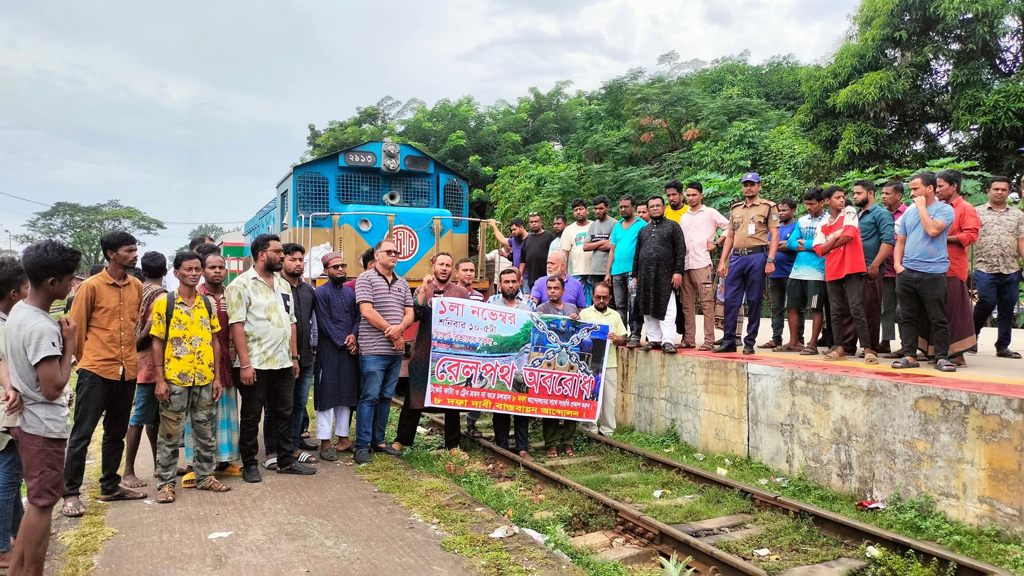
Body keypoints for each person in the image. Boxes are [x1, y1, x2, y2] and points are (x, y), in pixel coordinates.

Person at [4, 240, 80, 576]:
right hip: (43, 426)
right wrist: (70, 346)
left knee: (36, 500)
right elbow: (52, 388)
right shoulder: (41, 327)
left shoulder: (19, 311)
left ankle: (19, 567)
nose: (72, 284)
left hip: (26, 423)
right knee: (42, 504)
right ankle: (31, 570)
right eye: (69, 279)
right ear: (53, 284)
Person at [62, 232, 146, 518]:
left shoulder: (136, 286)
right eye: (129, 250)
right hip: (96, 370)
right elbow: (77, 329)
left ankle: (110, 486)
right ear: (111, 254)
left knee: (115, 433)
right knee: (82, 434)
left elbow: (134, 327)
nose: (135, 254)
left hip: (127, 371)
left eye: (136, 249)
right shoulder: (91, 287)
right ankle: (71, 493)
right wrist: (86, 360)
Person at [226, 234, 314, 482]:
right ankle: (250, 463)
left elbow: (292, 323)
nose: (283, 257)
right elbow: (237, 325)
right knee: (252, 415)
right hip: (255, 364)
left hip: (283, 363)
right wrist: (245, 363)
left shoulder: (283, 284)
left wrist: (294, 357)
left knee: (284, 413)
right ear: (262, 254)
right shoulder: (240, 285)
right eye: (278, 252)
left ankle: (286, 461)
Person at [150, 252, 231, 503]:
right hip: (175, 379)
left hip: (205, 378)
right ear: (176, 273)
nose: (194, 273)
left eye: (197, 269)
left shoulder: (206, 303)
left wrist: (217, 377)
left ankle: (205, 476)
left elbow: (216, 341)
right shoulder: (165, 303)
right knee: (170, 434)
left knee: (206, 430)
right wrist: (160, 380)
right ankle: (165, 483)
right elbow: (157, 342)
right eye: (188, 269)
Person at [393, 254, 468, 453]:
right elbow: (415, 315)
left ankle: (452, 444)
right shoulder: (422, 289)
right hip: (424, 350)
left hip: (451, 355)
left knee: (451, 396)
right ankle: (402, 440)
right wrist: (423, 292)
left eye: (448, 265)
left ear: (453, 269)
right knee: (414, 395)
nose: (444, 268)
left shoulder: (461, 292)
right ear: (434, 266)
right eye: (441, 264)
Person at [354, 239, 414, 465]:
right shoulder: (365, 279)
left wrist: (400, 330)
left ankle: (378, 442)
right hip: (373, 350)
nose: (394, 255)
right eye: (389, 251)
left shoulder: (403, 283)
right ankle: (361, 446)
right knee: (369, 397)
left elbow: (409, 313)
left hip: (394, 352)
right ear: (376, 255)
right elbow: (367, 312)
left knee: (386, 397)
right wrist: (395, 333)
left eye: (396, 252)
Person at [260, 243, 319, 470]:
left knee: (298, 405)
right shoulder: (276, 288)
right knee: (275, 407)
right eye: (292, 259)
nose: (298, 263)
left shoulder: (308, 291)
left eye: (301, 260)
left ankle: (293, 447)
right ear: (282, 261)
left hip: (305, 358)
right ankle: (272, 450)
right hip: (279, 359)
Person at [892, 172, 957, 372]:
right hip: (907, 272)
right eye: (911, 189)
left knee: (937, 317)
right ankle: (910, 356)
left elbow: (932, 230)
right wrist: (898, 266)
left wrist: (921, 207)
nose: (912, 193)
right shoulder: (909, 213)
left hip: (933, 273)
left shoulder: (944, 210)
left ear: (929, 189)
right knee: (907, 316)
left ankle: (941, 358)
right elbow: (900, 240)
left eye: (916, 189)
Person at [185, 251, 241, 478]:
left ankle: (224, 461)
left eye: (221, 267)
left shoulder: (233, 295)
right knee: (200, 415)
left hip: (229, 364)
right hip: (202, 367)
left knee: (226, 413)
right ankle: (193, 464)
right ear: (203, 272)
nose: (217, 271)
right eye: (211, 267)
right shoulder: (195, 297)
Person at [715, 173, 780, 355]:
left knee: (754, 299)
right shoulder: (736, 209)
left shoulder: (768, 207)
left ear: (759, 186)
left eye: (752, 184)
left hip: (757, 256)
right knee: (731, 300)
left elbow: (774, 236)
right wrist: (722, 261)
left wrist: (770, 260)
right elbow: (730, 236)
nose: (748, 188)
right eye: (745, 185)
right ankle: (729, 340)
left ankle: (749, 342)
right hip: (736, 257)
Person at [920, 170, 979, 366]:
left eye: (941, 186)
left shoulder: (965, 208)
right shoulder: (937, 207)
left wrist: (942, 236)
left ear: (954, 186)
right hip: (932, 267)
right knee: (933, 309)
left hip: (952, 267)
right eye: (936, 186)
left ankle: (956, 355)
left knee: (952, 309)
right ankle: (935, 352)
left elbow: (970, 235)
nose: (937, 190)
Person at [121, 252, 167, 490]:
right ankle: (128, 471)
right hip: (149, 363)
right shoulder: (160, 296)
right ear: (167, 272)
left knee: (154, 417)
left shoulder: (140, 290)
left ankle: (159, 463)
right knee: (140, 417)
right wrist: (132, 348)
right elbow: (151, 329)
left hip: (142, 362)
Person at [814, 187, 874, 363]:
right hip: (832, 269)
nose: (842, 200)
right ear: (827, 201)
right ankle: (838, 347)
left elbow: (848, 235)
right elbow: (819, 249)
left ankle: (868, 348)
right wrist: (834, 240)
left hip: (851, 266)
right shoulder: (823, 224)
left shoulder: (849, 211)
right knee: (835, 310)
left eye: (843, 197)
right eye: (837, 197)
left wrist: (829, 242)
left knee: (856, 307)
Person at [313, 252, 361, 461]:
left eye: (343, 265)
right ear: (326, 271)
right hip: (329, 352)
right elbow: (324, 323)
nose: (341, 269)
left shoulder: (350, 293)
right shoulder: (321, 293)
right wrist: (345, 341)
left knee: (346, 395)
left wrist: (354, 336)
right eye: (335, 267)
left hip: (348, 352)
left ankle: (343, 439)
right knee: (327, 395)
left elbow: (358, 318)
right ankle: (324, 443)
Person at [973, 176, 1024, 358]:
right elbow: (968, 239)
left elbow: (1021, 241)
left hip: (1010, 268)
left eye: (1004, 190)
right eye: (996, 189)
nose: (1000, 192)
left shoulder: (1017, 215)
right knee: (986, 302)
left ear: (1008, 192)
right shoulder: (977, 212)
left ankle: (1003, 346)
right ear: (989, 191)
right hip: (985, 267)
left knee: (1007, 308)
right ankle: (971, 337)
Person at [487, 268, 535, 459]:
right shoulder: (491, 303)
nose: (510, 285)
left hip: (523, 365)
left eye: (513, 281)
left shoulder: (529, 306)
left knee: (522, 405)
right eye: (506, 282)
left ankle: (523, 447)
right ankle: (502, 445)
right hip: (500, 364)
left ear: (519, 283)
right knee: (500, 406)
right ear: (500, 285)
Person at [0, 257, 28, 572]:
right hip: (6, 414)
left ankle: (16, 535)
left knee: (10, 476)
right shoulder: (5, 327)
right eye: (25, 287)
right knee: (8, 479)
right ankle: (1, 547)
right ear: (13, 293)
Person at [678, 182, 728, 350]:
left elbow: (728, 227)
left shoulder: (710, 213)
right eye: (688, 195)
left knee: (706, 303)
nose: (690, 198)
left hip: (702, 263)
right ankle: (689, 339)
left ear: (701, 195)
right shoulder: (684, 216)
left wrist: (716, 241)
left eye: (694, 195)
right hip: (685, 264)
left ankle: (709, 340)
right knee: (687, 304)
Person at [779, 187, 829, 355]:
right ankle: (794, 342)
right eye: (806, 204)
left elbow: (823, 245)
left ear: (822, 203)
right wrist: (810, 245)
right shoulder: (802, 220)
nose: (808, 207)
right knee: (791, 306)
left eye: (812, 204)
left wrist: (806, 244)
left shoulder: (829, 220)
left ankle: (812, 343)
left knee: (816, 308)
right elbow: (791, 243)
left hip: (818, 272)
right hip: (797, 271)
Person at [633, 195, 686, 354]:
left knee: (668, 309)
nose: (655, 208)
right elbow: (637, 254)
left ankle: (668, 341)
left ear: (664, 208)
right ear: (648, 210)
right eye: (652, 206)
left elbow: (680, 251)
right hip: (645, 276)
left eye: (658, 205)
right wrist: (635, 275)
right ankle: (654, 339)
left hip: (665, 275)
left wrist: (678, 272)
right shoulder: (643, 230)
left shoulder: (673, 226)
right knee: (647, 308)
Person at [537, 277, 580, 457]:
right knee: (551, 400)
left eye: (556, 288)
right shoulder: (541, 309)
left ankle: (569, 443)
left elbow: (580, 333)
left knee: (570, 401)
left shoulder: (572, 309)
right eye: (549, 288)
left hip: (570, 361)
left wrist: (577, 321)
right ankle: (551, 444)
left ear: (563, 291)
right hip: (550, 362)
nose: (552, 291)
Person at [853, 180, 896, 357]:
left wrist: (875, 265)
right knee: (855, 308)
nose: (855, 196)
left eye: (859, 193)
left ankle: (870, 347)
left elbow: (888, 241)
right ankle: (850, 346)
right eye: (854, 193)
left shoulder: (881, 214)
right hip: (854, 268)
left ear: (870, 194)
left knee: (870, 309)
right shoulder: (856, 214)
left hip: (871, 268)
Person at [579, 282, 627, 436]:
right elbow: (578, 336)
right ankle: (588, 428)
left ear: (610, 298)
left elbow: (623, 339)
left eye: (604, 298)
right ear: (592, 297)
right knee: (589, 396)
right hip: (589, 364)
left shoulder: (615, 315)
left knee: (609, 399)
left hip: (610, 362)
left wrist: (616, 338)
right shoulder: (585, 314)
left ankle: (607, 431)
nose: (601, 300)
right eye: (598, 297)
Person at [760, 198, 802, 350]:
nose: (781, 213)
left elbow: (791, 246)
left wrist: (777, 245)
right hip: (774, 274)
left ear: (793, 211)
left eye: (784, 210)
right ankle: (776, 338)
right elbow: (767, 244)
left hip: (792, 274)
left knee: (795, 307)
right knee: (776, 307)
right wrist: (781, 244)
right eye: (779, 210)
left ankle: (799, 339)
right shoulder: (774, 228)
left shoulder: (797, 226)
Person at [605, 195, 646, 345]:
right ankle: (622, 335)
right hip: (616, 272)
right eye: (621, 207)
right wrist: (608, 272)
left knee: (634, 304)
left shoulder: (642, 225)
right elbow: (612, 250)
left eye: (626, 207)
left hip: (632, 272)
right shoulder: (617, 227)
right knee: (620, 306)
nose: (623, 209)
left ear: (633, 207)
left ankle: (635, 335)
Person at [880, 182, 908, 356]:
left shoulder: (909, 213)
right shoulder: (881, 214)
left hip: (904, 268)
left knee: (904, 308)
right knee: (886, 307)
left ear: (898, 196)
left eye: (887, 193)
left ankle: (907, 344)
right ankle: (885, 341)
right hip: (885, 267)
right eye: (882, 193)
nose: (883, 196)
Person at [560, 199, 593, 303]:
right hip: (578, 272)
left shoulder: (594, 225)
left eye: (581, 209)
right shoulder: (569, 230)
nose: (578, 212)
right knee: (579, 301)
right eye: (575, 210)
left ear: (587, 211)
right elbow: (564, 253)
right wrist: (565, 273)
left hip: (595, 271)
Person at [583, 196, 617, 295]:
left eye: (601, 208)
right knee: (596, 298)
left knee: (609, 299)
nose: (598, 211)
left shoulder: (614, 224)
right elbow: (585, 247)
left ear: (607, 208)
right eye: (596, 208)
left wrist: (593, 245)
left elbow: (611, 246)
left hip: (608, 271)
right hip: (595, 270)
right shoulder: (593, 225)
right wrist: (602, 242)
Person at [519, 213, 556, 289]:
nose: (533, 224)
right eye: (531, 222)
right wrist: (520, 275)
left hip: (548, 278)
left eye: (536, 221)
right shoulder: (527, 240)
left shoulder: (549, 236)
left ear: (541, 222)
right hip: (532, 279)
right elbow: (523, 260)